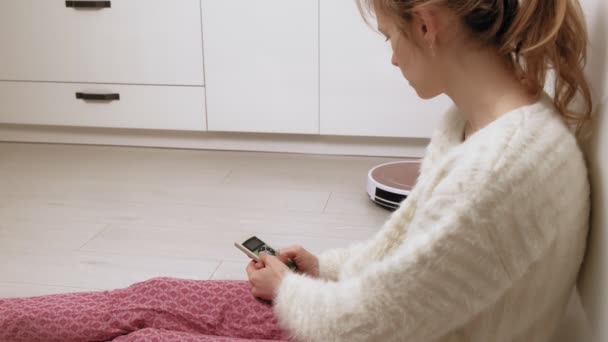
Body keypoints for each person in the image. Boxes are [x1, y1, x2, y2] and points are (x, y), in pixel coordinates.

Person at [0, 0, 594, 341]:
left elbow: (368, 325)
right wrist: (324, 268)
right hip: (386, 321)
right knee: (150, 296)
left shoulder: (501, 173)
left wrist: (288, 292)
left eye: (391, 36)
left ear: (426, 25)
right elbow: (410, 252)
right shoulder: (480, 123)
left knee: (149, 340)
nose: (391, 56)